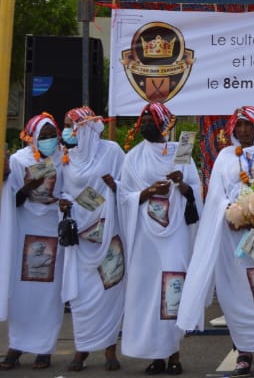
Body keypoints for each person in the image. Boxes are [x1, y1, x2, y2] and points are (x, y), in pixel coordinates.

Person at [178, 106, 254, 376]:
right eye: (239, 126)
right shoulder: (224, 156)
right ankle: (243, 352)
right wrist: (234, 214)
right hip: (231, 236)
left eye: (248, 125)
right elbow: (216, 197)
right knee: (236, 295)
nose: (243, 130)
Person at [119, 103, 202, 375]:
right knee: (147, 293)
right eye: (142, 121)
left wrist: (180, 183)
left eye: (150, 121)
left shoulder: (182, 150)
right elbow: (125, 197)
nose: (144, 125)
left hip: (174, 233)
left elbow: (195, 192)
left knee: (172, 290)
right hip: (145, 236)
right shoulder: (132, 157)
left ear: (164, 124)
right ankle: (156, 356)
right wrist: (148, 191)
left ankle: (174, 353)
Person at [59, 107, 127, 371]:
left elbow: (127, 186)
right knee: (82, 297)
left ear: (85, 129)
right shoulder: (68, 157)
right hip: (81, 239)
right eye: (65, 125)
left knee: (110, 292)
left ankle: (110, 351)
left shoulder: (112, 151)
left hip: (109, 234)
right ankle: (82, 350)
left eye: (70, 125)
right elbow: (64, 190)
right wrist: (64, 202)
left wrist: (114, 186)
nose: (67, 131)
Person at [0, 113, 64, 371]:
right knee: (22, 293)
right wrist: (28, 187)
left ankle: (44, 350)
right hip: (25, 228)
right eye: (43, 136)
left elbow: (74, 191)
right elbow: (10, 201)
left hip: (52, 227)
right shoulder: (19, 161)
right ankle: (15, 347)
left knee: (49, 293)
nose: (48, 140)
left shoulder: (64, 159)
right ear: (33, 137)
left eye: (52, 135)